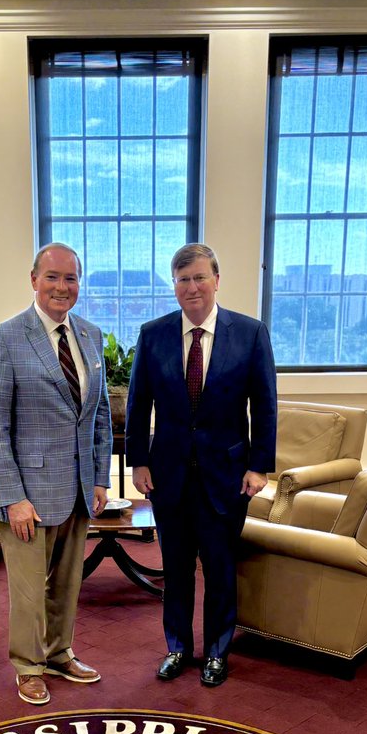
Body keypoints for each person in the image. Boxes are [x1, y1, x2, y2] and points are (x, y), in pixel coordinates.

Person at [126, 242, 277, 687]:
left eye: (199, 277)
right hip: (168, 474)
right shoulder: (153, 334)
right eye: (182, 279)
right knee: (175, 567)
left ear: (216, 280)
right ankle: (177, 647)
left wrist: (258, 466)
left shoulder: (250, 333)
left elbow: (264, 407)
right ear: (173, 286)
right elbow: (138, 406)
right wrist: (138, 461)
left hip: (227, 476)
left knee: (219, 566)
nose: (192, 287)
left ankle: (216, 651)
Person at [0, 243, 112, 705]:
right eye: (52, 277)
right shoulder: (4, 339)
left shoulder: (90, 336)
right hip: (28, 494)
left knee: (69, 581)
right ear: (33, 279)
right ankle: (28, 666)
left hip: (77, 488)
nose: (62, 287)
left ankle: (58, 653)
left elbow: (99, 417)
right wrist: (11, 496)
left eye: (71, 278)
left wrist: (99, 479)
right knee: (30, 591)